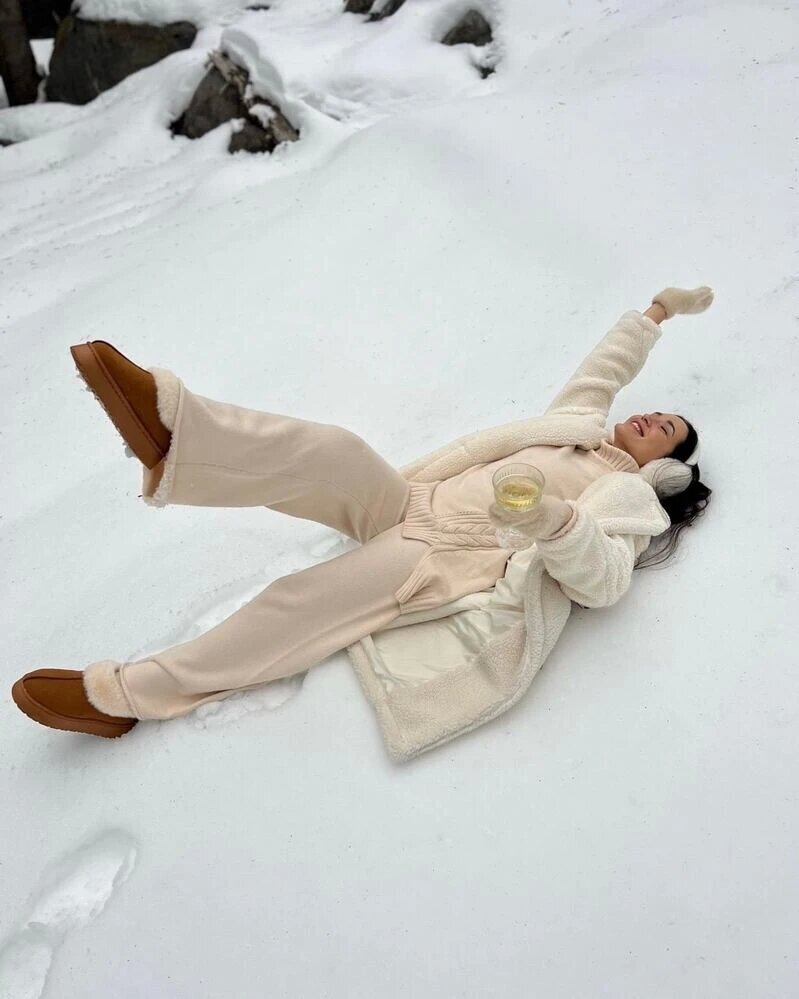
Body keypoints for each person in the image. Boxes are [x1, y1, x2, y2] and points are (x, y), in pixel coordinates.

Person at [11, 286, 714, 747]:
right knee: (332, 449)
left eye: (667, 429)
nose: (651, 418)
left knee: (297, 602)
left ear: (667, 468)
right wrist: (656, 312)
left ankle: (126, 697)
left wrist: (556, 521)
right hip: (411, 500)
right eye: (656, 411)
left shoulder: (625, 499)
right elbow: (604, 368)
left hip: (442, 558)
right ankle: (177, 436)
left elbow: (603, 581)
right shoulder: (577, 426)